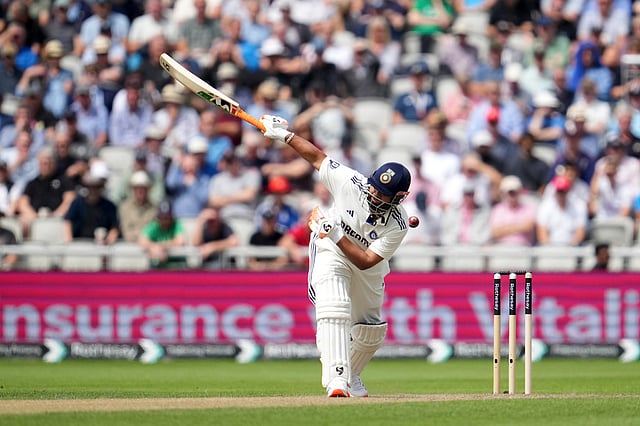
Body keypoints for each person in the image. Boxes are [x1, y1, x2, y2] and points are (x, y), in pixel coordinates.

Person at [259, 114, 413, 398]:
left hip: (361, 261)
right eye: (374, 187)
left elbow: (366, 261)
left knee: (371, 333)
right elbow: (317, 158)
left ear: (399, 197)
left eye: (382, 194)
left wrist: (337, 234)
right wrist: (285, 135)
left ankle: (352, 376)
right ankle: (337, 380)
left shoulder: (398, 225)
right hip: (329, 248)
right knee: (334, 305)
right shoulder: (351, 182)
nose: (374, 195)